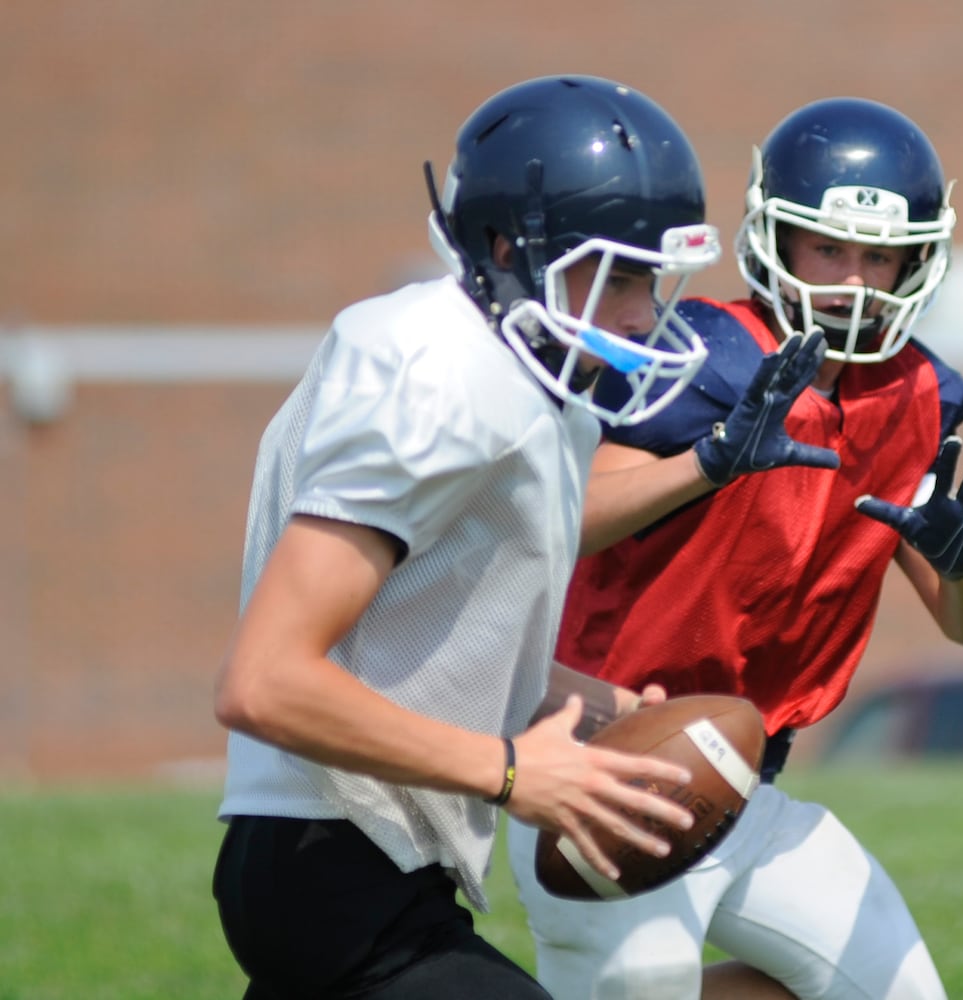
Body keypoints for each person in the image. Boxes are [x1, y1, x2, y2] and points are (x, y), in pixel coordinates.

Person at [210, 74, 740, 999]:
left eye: (651, 276)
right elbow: (266, 680)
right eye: (615, 271)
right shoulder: (440, 374)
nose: (639, 311)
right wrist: (506, 773)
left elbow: (427, 648)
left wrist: (589, 706)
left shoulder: (528, 386)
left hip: (365, 875)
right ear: (507, 249)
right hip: (330, 866)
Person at [507, 97, 963, 999]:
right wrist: (707, 462)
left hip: (742, 775)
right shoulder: (703, 354)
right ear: (778, 243)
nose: (854, 282)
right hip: (609, 758)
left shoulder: (913, 393)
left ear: (917, 260)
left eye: (878, 257)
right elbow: (559, 519)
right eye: (829, 249)